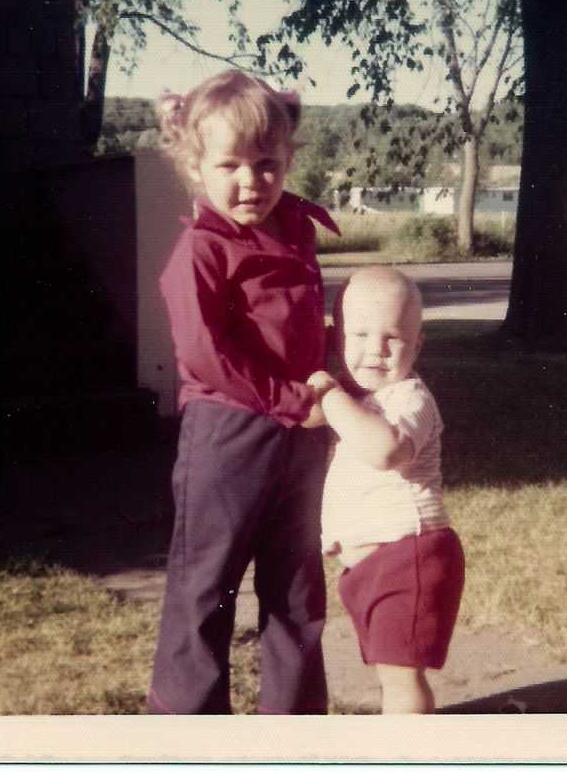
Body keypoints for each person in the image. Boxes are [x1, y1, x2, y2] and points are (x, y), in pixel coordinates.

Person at [145, 69, 336, 716]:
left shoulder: (292, 232)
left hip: (303, 437)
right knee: (205, 590)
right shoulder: (201, 251)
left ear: (286, 159)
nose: (250, 180)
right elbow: (209, 356)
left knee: (297, 589)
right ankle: (188, 735)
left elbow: (303, 327)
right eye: (229, 164)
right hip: (229, 436)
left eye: (265, 163)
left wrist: (332, 382)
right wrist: (293, 402)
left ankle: (296, 729)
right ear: (195, 166)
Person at [307, 267, 465, 714]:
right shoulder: (358, 402)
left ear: (417, 345)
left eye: (392, 338)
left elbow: (384, 450)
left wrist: (329, 393)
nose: (374, 351)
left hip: (410, 558)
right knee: (389, 673)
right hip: (372, 567)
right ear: (338, 339)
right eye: (359, 335)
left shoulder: (411, 398)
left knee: (401, 679)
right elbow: (304, 416)